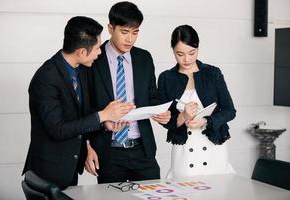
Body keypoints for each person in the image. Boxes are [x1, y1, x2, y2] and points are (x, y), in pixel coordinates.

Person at [22, 16, 134, 189]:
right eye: (97, 48)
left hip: (69, 167)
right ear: (82, 51)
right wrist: (102, 114)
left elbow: (81, 114)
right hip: (48, 171)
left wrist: (105, 123)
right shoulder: (46, 78)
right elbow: (58, 129)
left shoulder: (80, 70)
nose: (99, 52)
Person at [85, 1, 171, 183]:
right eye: (124, 32)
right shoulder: (93, 59)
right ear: (110, 28)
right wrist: (102, 124)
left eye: (135, 32)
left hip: (143, 149)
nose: (130, 39)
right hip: (109, 152)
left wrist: (162, 113)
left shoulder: (144, 58)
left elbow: (152, 97)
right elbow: (84, 106)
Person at [158, 25, 236, 178]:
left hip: (213, 147)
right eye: (179, 54)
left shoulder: (212, 73)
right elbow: (166, 120)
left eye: (191, 53)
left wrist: (206, 121)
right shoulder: (166, 78)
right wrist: (183, 117)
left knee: (216, 190)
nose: (186, 59)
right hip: (184, 149)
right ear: (173, 50)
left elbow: (230, 111)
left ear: (197, 48)